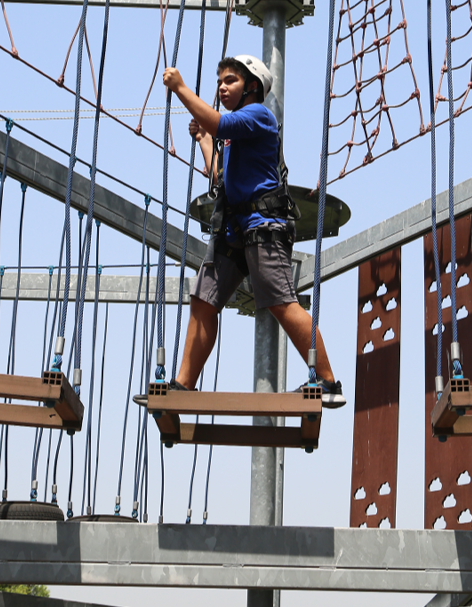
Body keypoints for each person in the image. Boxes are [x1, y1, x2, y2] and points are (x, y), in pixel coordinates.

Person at [142, 54, 345, 408]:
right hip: (235, 228)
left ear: (252, 87)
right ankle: (183, 385)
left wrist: (181, 90)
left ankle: (328, 381)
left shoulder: (259, 116)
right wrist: (205, 139)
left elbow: (219, 124)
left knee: (281, 301)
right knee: (203, 300)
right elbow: (219, 175)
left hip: (263, 225)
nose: (222, 86)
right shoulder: (235, 133)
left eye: (231, 80)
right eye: (220, 81)